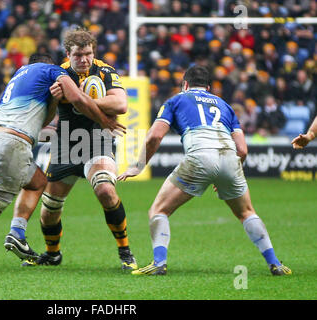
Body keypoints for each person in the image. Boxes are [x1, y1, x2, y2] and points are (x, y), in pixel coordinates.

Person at [0, 53, 125, 269]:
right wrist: (105, 120)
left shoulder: (19, 75)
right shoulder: (53, 71)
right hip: (12, 143)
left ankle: (17, 233)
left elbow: (44, 120)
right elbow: (77, 99)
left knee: (37, 182)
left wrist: (54, 99)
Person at [118, 66, 292, 276]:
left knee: (159, 210)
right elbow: (243, 150)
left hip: (200, 155)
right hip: (229, 157)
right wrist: (225, 175)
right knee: (246, 212)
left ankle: (159, 263)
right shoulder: (226, 106)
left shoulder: (177, 100)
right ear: (208, 88)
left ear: (185, 84)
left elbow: (154, 137)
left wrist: (138, 166)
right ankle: (275, 263)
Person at [22, 28, 138, 270]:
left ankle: (125, 251)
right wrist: (54, 99)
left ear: (93, 52)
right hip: (66, 144)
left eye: (88, 54)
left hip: (97, 139)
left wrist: (80, 98)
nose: (84, 60)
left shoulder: (104, 70)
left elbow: (121, 104)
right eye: (78, 55)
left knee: (106, 190)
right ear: (68, 54)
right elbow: (44, 117)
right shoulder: (58, 74)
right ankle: (53, 255)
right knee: (49, 211)